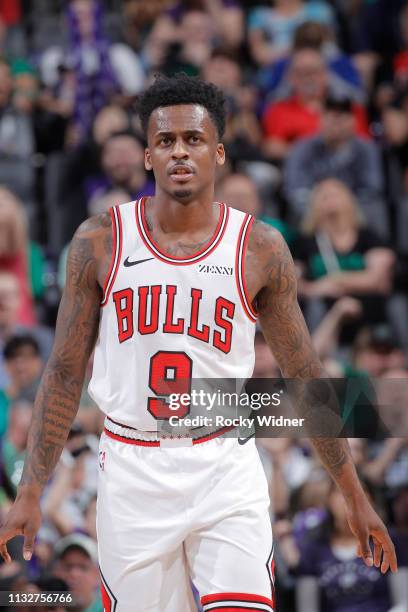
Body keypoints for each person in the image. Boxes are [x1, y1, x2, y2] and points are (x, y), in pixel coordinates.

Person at [0, 74, 397, 612]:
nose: (179, 152)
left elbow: (305, 374)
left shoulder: (259, 247)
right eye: (165, 141)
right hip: (132, 465)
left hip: (222, 460)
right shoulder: (99, 241)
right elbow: (66, 372)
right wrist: (30, 492)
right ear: (147, 156)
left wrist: (353, 494)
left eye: (193, 139)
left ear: (220, 152)